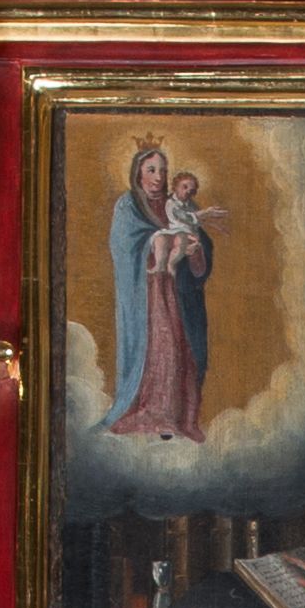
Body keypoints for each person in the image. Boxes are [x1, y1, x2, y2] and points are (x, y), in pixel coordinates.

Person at [104, 142, 215, 439]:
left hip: (179, 296)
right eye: (151, 170)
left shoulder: (177, 205)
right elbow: (123, 246)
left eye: (163, 171)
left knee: (183, 352)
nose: (158, 177)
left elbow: (199, 248)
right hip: (148, 295)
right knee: (161, 350)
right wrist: (153, 244)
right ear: (138, 173)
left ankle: (183, 418)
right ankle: (155, 415)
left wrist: (194, 250)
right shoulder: (128, 205)